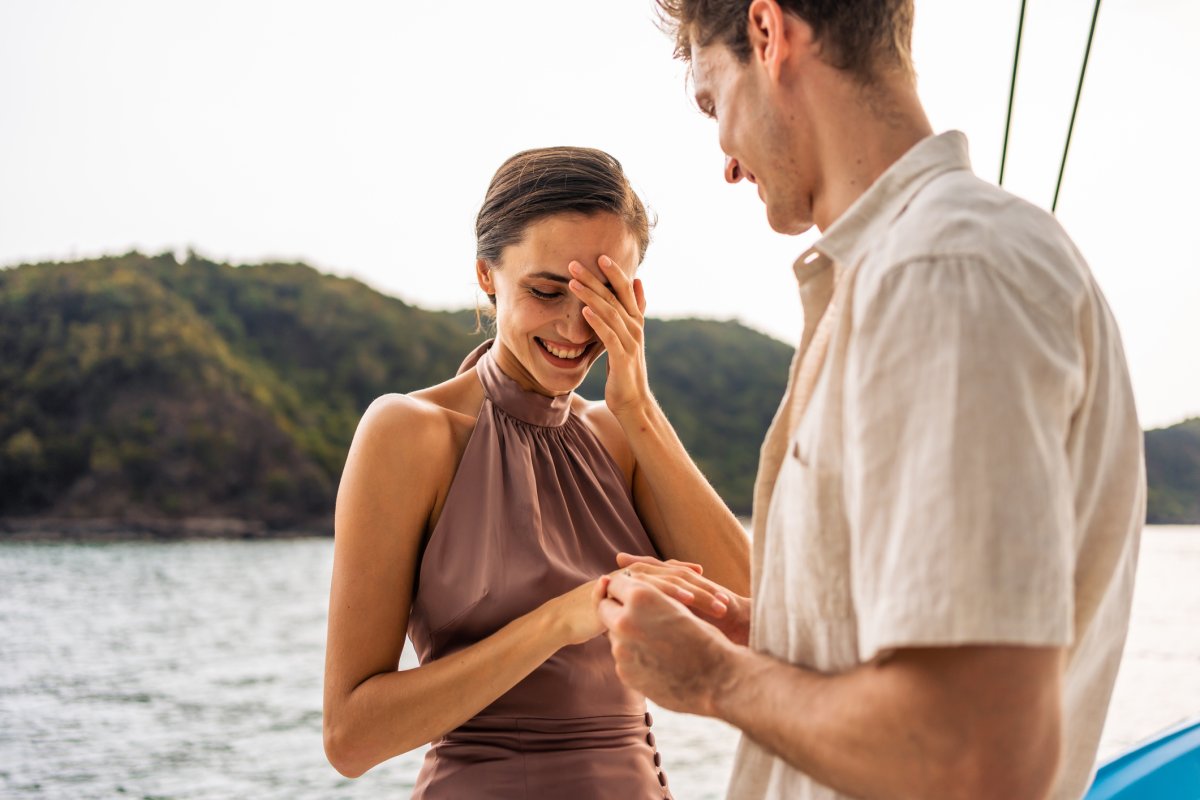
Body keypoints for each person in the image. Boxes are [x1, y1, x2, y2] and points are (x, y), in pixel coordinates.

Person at [596, 2, 1146, 799]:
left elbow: (977, 754)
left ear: (767, 34)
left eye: (713, 101)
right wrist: (770, 636)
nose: (726, 160)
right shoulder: (925, 268)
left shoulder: (943, 272)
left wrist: (713, 678)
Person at [321, 145, 751, 798]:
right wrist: (563, 618)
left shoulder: (623, 437)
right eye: (547, 291)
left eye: (601, 295)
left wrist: (639, 410)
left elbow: (760, 626)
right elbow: (351, 738)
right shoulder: (410, 434)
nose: (575, 327)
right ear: (487, 276)